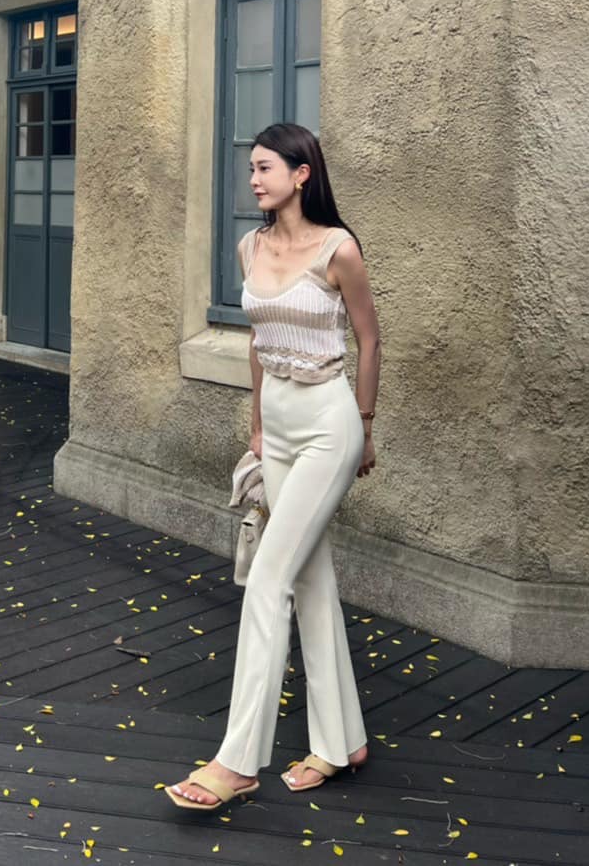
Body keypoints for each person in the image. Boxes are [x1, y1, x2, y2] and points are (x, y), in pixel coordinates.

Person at [165, 121, 381, 812]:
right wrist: (257, 425)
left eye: (265, 168)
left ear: (301, 173)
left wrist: (365, 428)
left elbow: (371, 340)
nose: (254, 179)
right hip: (280, 425)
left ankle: (237, 762)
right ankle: (342, 742)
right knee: (310, 578)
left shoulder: (339, 248)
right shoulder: (250, 246)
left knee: (268, 579)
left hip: (328, 423)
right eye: (252, 168)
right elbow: (258, 343)